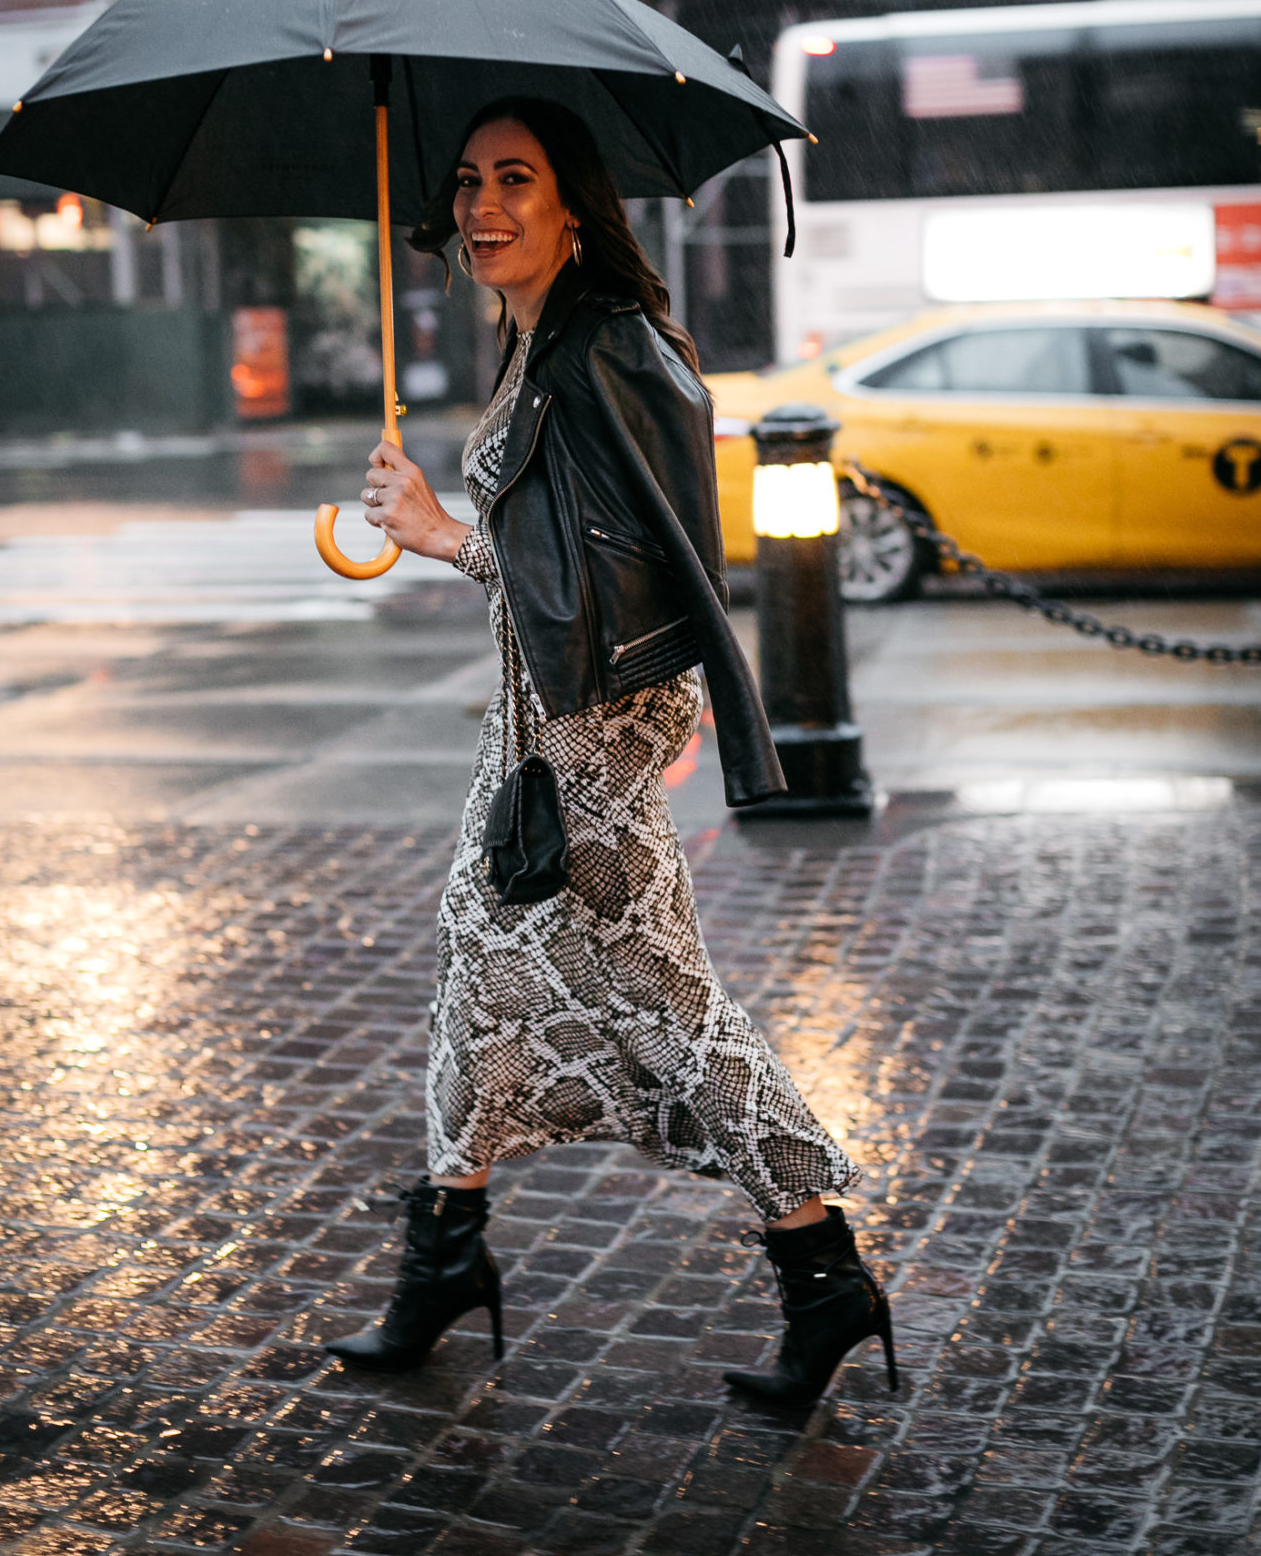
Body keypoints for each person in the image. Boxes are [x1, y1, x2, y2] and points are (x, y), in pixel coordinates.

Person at [323, 98, 895, 1407]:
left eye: (514, 180)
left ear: (572, 204)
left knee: (672, 1012)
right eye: (468, 182)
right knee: (474, 974)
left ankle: (826, 1274)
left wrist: (439, 533)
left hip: (585, 742)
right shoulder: (540, 340)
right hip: (537, 731)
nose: (482, 205)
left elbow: (621, 579)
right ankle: (445, 1258)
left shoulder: (608, 347)